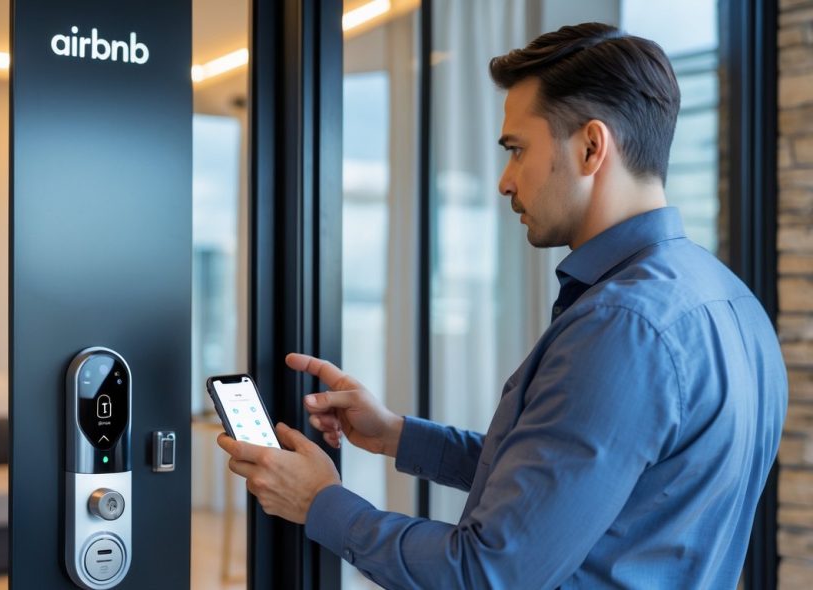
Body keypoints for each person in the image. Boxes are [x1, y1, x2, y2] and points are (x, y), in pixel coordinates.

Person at [216, 22, 787, 588]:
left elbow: (488, 573)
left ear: (592, 147)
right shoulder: (732, 302)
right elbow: (571, 486)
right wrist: (396, 434)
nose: (505, 182)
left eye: (517, 150)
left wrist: (321, 503)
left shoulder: (623, 326)